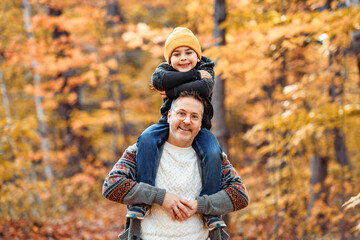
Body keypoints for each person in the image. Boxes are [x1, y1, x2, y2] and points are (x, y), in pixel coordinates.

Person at [102, 91, 249, 240]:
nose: (187, 121)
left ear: (200, 124)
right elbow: (112, 186)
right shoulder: (142, 150)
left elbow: (240, 195)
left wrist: (200, 205)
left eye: (194, 116)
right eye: (181, 113)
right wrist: (161, 197)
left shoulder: (213, 157)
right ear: (169, 116)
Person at [133, 27, 224, 229]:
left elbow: (204, 87)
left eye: (188, 52)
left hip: (199, 128)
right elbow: (158, 81)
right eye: (177, 54)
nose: (183, 58)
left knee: (212, 151)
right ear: (169, 59)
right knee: (147, 139)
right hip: (167, 123)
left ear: (197, 55)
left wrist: (170, 90)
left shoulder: (207, 66)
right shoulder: (164, 70)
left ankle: (209, 210)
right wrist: (193, 75)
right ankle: (142, 200)